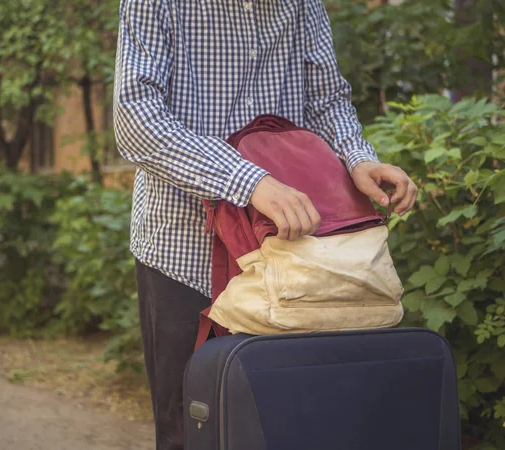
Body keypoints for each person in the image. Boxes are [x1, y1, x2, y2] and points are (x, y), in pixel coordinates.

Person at [113, 1, 418, 449]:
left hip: (292, 256)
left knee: (288, 424)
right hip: (183, 251)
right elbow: (136, 121)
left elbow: (326, 100)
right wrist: (249, 180)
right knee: (191, 431)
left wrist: (358, 158)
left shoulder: (303, 5)